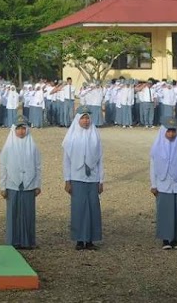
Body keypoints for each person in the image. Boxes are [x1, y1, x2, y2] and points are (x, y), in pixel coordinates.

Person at [63, 106, 104, 250]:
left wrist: (101, 180)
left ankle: (91, 240)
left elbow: (100, 159)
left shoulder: (95, 134)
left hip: (92, 178)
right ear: (78, 119)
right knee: (79, 208)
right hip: (77, 177)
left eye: (87, 118)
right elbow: (67, 160)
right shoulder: (72, 136)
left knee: (93, 208)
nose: (86, 121)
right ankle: (80, 239)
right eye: (83, 118)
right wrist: (67, 180)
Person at [0, 116, 41, 249]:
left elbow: (38, 166)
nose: (21, 131)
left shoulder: (32, 145)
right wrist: (3, 186)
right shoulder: (8, 146)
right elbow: (3, 166)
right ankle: (13, 241)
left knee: (28, 214)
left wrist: (37, 184)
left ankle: (27, 242)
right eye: (18, 128)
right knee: (13, 213)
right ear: (14, 130)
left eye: (24, 128)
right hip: (12, 184)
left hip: (29, 184)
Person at [150, 117, 177, 250]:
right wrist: (153, 185)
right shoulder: (157, 147)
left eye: (173, 131)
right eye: (169, 132)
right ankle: (166, 239)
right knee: (165, 211)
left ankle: (176, 239)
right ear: (163, 132)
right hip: (162, 183)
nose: (171, 134)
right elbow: (153, 167)